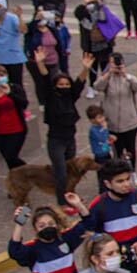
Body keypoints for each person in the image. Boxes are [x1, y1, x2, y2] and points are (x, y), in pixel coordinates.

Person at [32, 48, 92, 207]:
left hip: (70, 139)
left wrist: (85, 69)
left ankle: (71, 195)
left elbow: (79, 84)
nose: (64, 86)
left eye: (66, 84)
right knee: (61, 174)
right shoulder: (51, 96)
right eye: (61, 84)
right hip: (56, 141)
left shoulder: (70, 96)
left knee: (71, 171)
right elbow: (45, 79)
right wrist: (40, 63)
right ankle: (62, 202)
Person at [8, 199, 91, 273]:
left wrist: (78, 205)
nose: (47, 228)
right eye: (42, 226)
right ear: (35, 229)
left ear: (57, 224)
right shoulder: (33, 249)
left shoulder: (66, 239)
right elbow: (14, 251)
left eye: (51, 224)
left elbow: (88, 223)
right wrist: (19, 224)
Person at [0, 63, 28, 168]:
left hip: (16, 129)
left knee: (11, 156)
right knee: (8, 160)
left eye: (3, 75)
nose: (0, 78)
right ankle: (17, 179)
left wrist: (10, 94)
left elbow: (24, 104)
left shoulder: (15, 88)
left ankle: (27, 171)